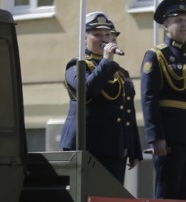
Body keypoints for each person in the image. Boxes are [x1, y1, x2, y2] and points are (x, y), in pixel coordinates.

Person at [140, 0, 186, 200]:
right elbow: (149, 99)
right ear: (166, 25)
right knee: (168, 196)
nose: (184, 25)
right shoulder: (157, 56)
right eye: (178, 20)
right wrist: (156, 137)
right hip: (170, 138)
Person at [60, 12, 143, 184]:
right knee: (87, 197)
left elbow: (127, 110)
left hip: (114, 148)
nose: (104, 39)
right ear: (85, 39)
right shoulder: (77, 65)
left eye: (108, 35)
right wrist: (106, 61)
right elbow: (86, 90)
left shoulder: (119, 72)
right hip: (88, 147)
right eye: (97, 34)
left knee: (111, 198)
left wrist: (133, 147)